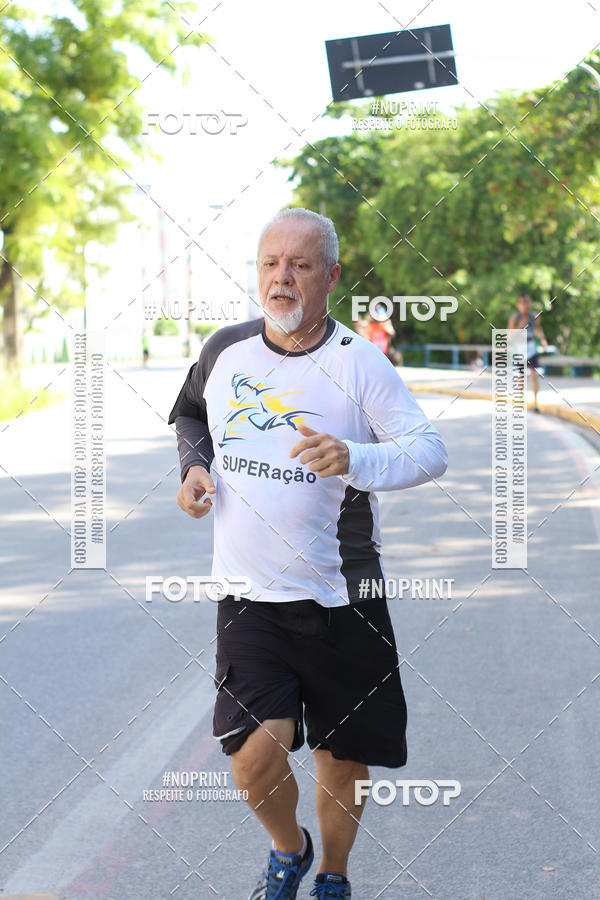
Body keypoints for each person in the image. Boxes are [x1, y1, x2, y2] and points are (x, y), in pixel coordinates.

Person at [168, 208, 448, 899]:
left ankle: (332, 876)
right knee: (252, 758)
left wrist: (354, 457)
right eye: (270, 263)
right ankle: (288, 849)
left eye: (298, 264)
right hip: (250, 592)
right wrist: (193, 469)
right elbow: (190, 414)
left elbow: (428, 451)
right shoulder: (226, 351)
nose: (282, 278)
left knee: (341, 756)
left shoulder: (359, 364)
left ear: (331, 276)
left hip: (344, 591)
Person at [508, 295, 548, 412]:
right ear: (518, 305)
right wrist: (520, 326)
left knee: (534, 375)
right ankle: (520, 402)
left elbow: (537, 329)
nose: (525, 305)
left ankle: (536, 403)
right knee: (520, 377)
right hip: (519, 349)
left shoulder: (534, 316)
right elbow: (509, 336)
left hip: (531, 348)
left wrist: (542, 340)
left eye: (527, 302)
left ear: (529, 304)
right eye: (522, 303)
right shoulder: (515, 318)